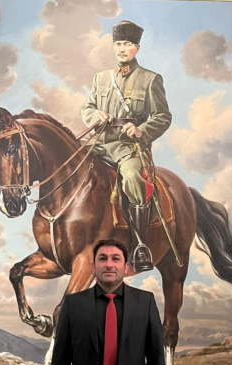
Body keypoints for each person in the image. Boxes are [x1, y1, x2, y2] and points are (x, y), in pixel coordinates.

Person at [49, 239, 166, 365]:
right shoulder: (73, 304)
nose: (109, 264)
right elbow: (60, 361)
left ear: (126, 267)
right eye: (102, 259)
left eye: (115, 259)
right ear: (93, 266)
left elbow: (156, 359)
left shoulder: (145, 302)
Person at [81, 20, 172, 273]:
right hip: (99, 141)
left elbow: (163, 116)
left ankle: (139, 244)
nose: (122, 49)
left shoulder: (150, 79)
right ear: (113, 47)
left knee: (132, 177)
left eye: (128, 44)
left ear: (137, 48)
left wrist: (141, 130)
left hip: (128, 146)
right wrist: (96, 115)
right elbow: (87, 107)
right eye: (119, 44)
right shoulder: (101, 78)